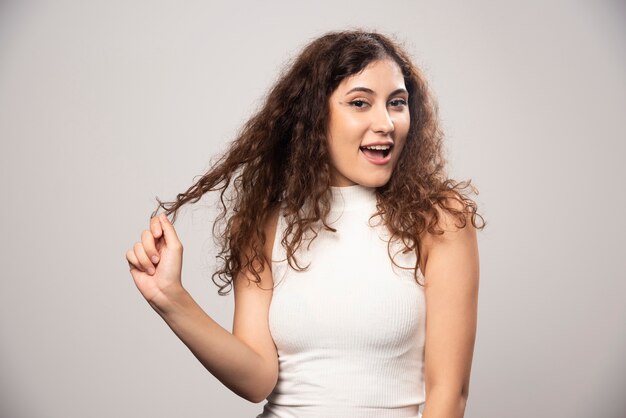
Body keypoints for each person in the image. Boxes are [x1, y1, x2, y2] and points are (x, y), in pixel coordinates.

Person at [125, 29, 484, 418]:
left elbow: (449, 394)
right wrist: (170, 298)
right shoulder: (267, 223)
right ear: (316, 116)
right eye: (360, 103)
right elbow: (257, 379)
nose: (386, 122)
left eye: (397, 103)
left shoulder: (438, 219)